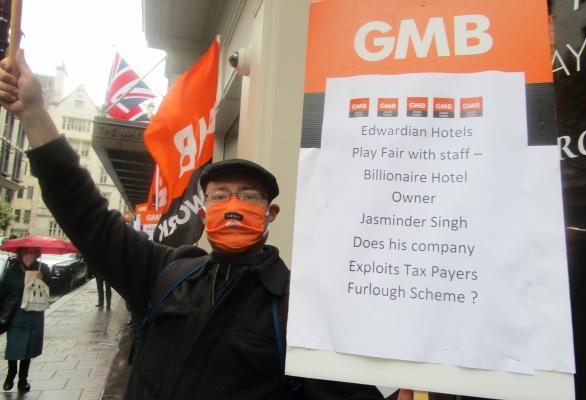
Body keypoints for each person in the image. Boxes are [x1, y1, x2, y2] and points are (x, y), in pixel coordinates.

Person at [0, 50, 399, 399]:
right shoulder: (166, 272)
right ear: (203, 210)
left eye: (249, 195)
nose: (233, 206)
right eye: (220, 195)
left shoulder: (298, 310)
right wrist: (35, 113)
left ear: (270, 214)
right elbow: (86, 215)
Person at [0, 247, 50, 392]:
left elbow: (48, 290)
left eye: (31, 252)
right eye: (25, 252)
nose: (28, 255)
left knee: (29, 347)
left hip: (34, 314)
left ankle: (23, 380)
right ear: (20, 254)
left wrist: (42, 280)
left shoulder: (43, 268)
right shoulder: (12, 270)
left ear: (36, 254)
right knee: (14, 346)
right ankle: (11, 375)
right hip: (16, 314)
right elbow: (2, 291)